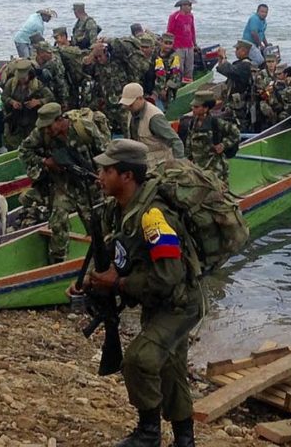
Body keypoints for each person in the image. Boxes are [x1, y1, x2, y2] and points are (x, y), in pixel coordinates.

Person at [69, 139, 205, 447]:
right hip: (157, 302)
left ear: (127, 175)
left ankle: (148, 435)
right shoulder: (120, 209)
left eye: (106, 170)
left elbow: (169, 276)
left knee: (138, 360)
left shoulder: (154, 217)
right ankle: (185, 440)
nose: (99, 177)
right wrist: (89, 281)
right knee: (171, 369)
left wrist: (117, 284)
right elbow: (118, 253)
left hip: (179, 304)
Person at [19, 103, 108, 263]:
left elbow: (105, 152)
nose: (46, 130)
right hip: (63, 185)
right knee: (58, 223)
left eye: (49, 126)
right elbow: (24, 151)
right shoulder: (41, 133)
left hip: (89, 186)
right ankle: (58, 263)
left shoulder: (84, 129)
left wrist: (102, 175)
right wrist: (45, 161)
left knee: (98, 227)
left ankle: (105, 260)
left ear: (60, 120)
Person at [120, 82, 184, 166]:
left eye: (130, 105)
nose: (128, 107)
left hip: (159, 164)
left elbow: (175, 141)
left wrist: (179, 165)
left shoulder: (155, 118)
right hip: (142, 162)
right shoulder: (132, 111)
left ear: (140, 98)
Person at [183, 90, 240, 183]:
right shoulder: (193, 123)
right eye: (193, 106)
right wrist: (188, 160)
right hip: (199, 168)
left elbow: (235, 133)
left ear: (206, 108)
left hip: (215, 168)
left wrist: (223, 145)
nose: (193, 109)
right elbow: (189, 143)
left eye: (196, 107)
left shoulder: (216, 122)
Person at [1, 59, 54, 149]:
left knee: (32, 145)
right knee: (12, 144)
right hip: (16, 119)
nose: (21, 80)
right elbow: (4, 96)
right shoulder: (11, 83)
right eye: (19, 77)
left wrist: (38, 102)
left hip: (31, 120)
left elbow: (50, 97)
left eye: (24, 77)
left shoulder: (37, 85)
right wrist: (12, 102)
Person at [83, 41, 130, 135]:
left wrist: (107, 43)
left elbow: (123, 47)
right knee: (107, 131)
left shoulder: (117, 60)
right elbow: (86, 67)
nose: (99, 59)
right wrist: (93, 53)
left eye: (100, 56)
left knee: (128, 130)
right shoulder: (95, 67)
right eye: (97, 57)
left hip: (123, 104)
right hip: (107, 105)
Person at [216, 40, 255, 132]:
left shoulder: (246, 66)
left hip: (240, 105)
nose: (235, 51)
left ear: (244, 51)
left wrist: (224, 56)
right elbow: (224, 70)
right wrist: (220, 59)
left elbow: (230, 70)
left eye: (237, 49)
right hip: (232, 103)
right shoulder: (239, 64)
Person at [167, 0, 197, 82]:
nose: (191, 8)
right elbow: (169, 32)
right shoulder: (174, 17)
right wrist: (170, 46)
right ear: (183, 6)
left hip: (189, 45)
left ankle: (189, 82)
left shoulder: (191, 16)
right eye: (189, 6)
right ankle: (178, 82)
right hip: (178, 46)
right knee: (179, 67)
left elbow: (192, 30)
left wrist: (195, 43)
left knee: (189, 66)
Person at [34, 43, 71, 109]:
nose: (50, 55)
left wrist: (64, 101)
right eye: (48, 53)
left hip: (56, 91)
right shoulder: (34, 63)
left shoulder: (53, 62)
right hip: (51, 90)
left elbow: (59, 82)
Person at [153, 33, 182, 110]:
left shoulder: (174, 57)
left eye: (170, 44)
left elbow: (175, 76)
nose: (168, 46)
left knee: (166, 105)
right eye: (166, 43)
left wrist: (164, 89)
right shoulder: (156, 52)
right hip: (157, 82)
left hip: (169, 85)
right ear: (161, 42)